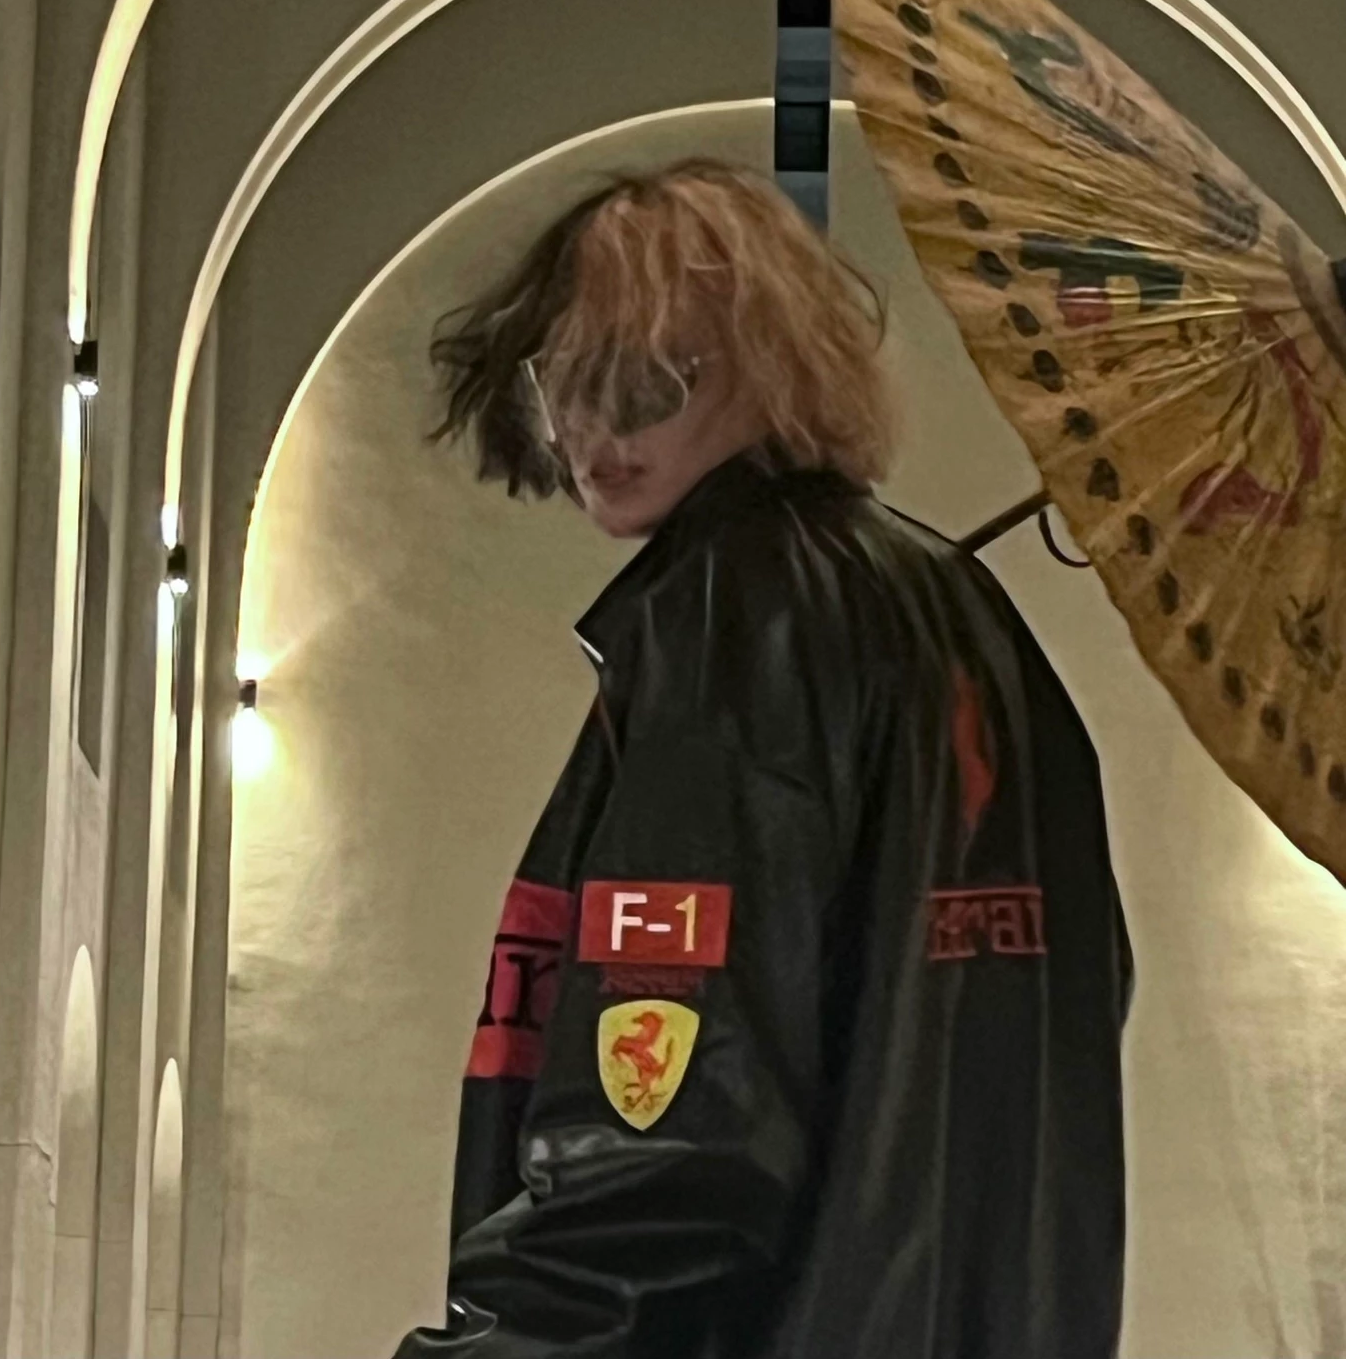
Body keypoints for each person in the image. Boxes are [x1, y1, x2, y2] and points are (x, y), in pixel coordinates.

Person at [394, 159, 1132, 1359]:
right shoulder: (973, 625)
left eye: (643, 379)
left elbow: (665, 1133)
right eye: (558, 383)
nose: (589, 431)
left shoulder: (731, 627)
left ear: (775, 358)